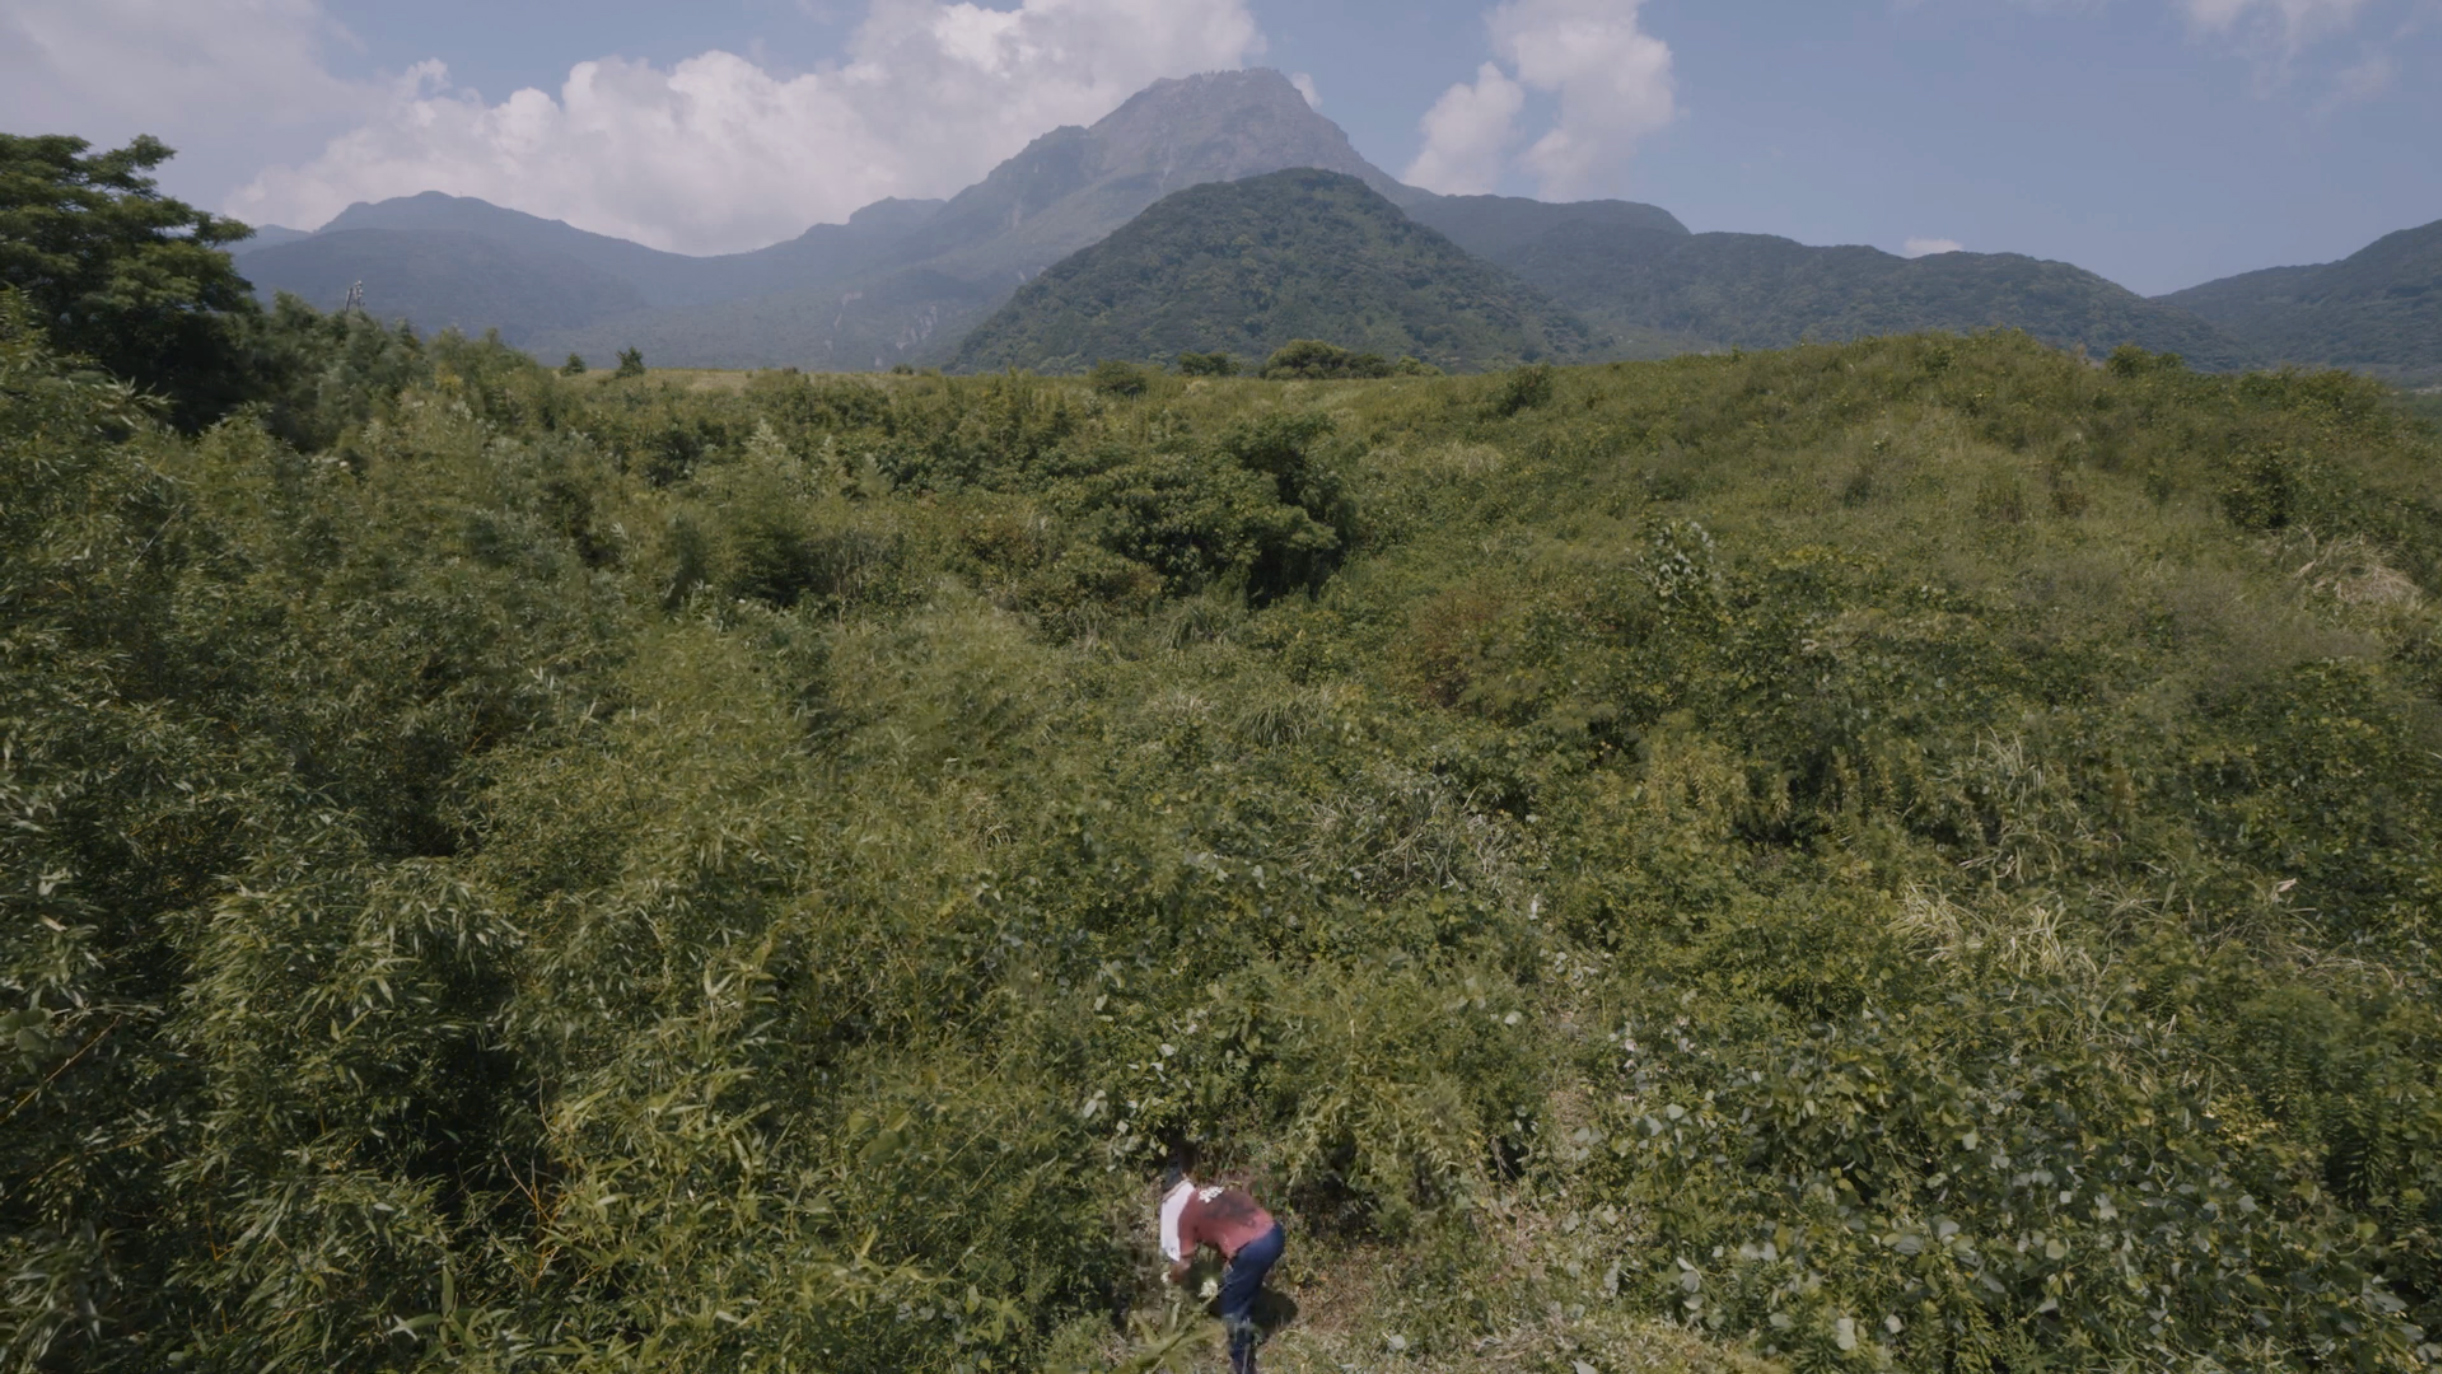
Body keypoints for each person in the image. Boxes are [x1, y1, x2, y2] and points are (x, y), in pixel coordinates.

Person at [1159, 1168, 1284, 1374]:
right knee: (1239, 1286)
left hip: (1254, 1248)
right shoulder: (1212, 1191)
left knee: (1233, 1310)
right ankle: (1259, 1315)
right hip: (1275, 1232)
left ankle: (1242, 1367)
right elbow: (1227, 1226)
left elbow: (1185, 1264)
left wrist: (1170, 1278)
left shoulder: (1186, 1215)